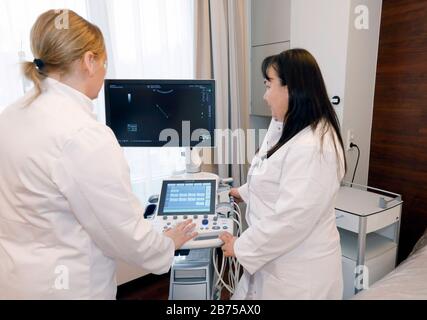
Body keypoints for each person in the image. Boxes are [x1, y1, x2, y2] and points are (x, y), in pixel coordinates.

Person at [0, 10, 196, 299]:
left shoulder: (11, 115)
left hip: (16, 281)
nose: (105, 73)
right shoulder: (83, 135)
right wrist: (166, 244)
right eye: (104, 62)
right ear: (90, 62)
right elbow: (123, 232)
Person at [219, 49, 346, 300]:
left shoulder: (314, 147)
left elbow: (291, 220)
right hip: (275, 263)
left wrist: (241, 245)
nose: (265, 96)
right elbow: (269, 170)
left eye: (269, 85)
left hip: (299, 276)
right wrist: (243, 192)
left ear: (292, 88)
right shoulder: (289, 125)